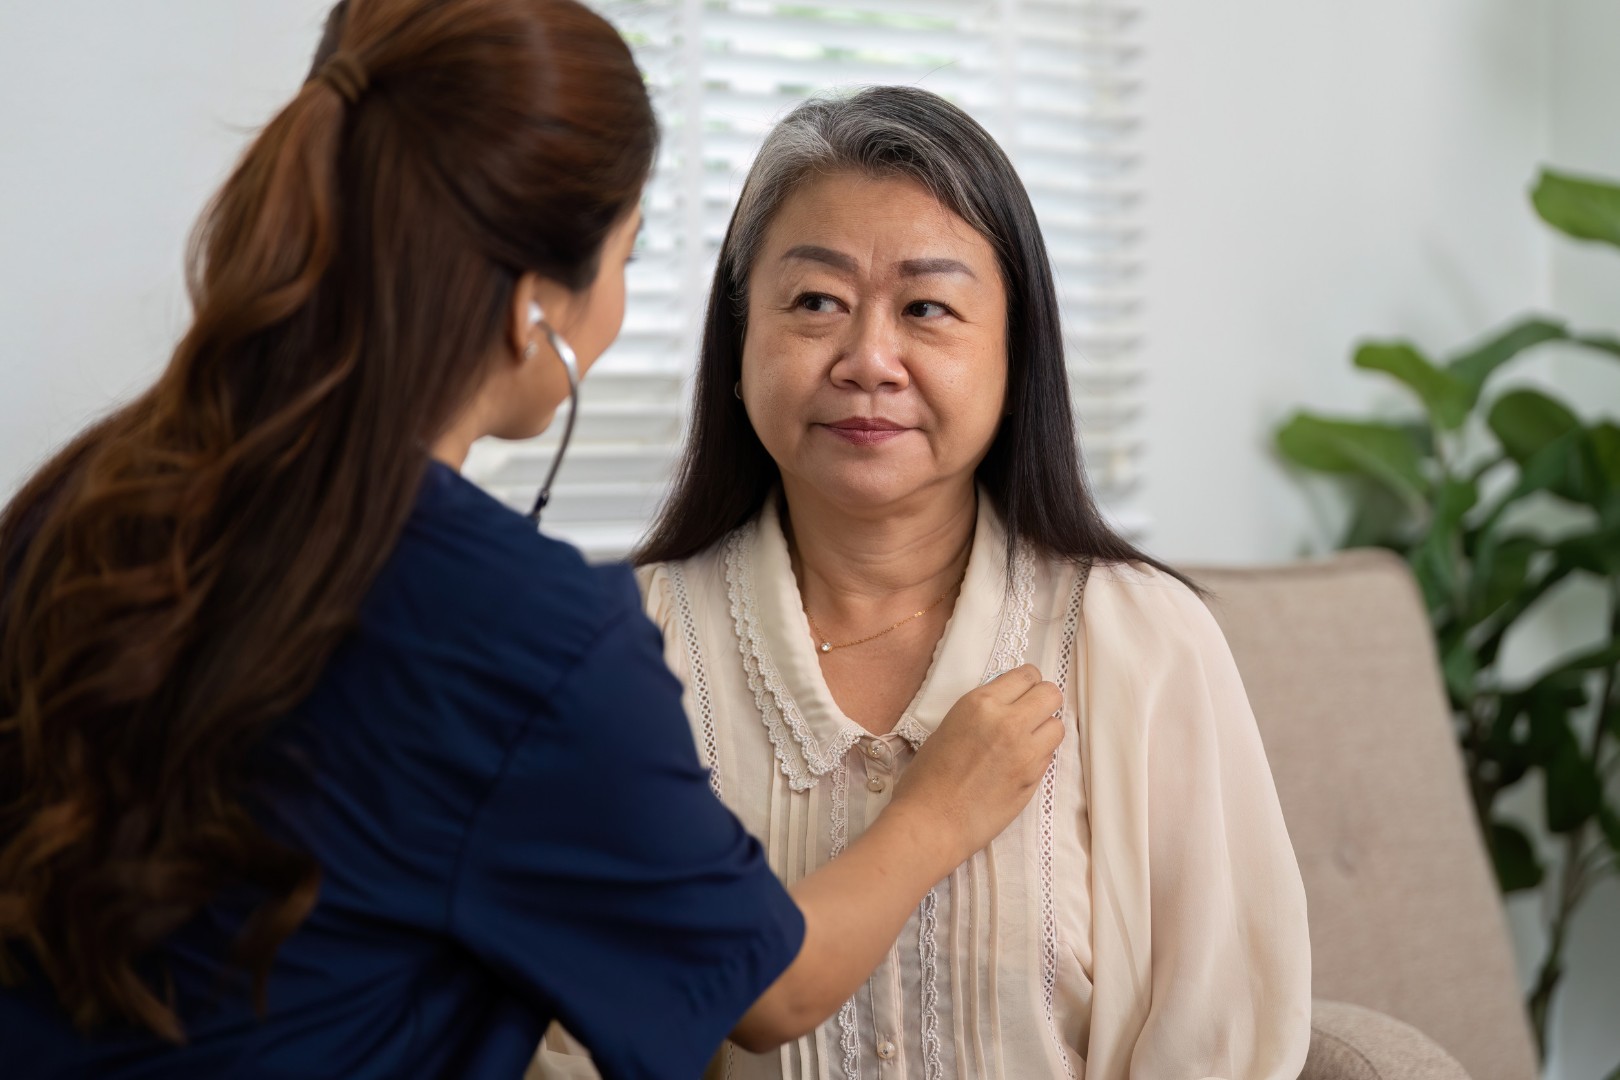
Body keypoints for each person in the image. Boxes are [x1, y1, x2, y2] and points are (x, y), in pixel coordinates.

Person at [0, 6, 1067, 1078]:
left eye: (928, 308)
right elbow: (771, 988)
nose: (869, 358)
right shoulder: (527, 633)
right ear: (532, 310)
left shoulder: (80, 495)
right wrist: (937, 814)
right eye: (627, 249)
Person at [536, 86, 1312, 1079]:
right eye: (816, 302)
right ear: (736, 348)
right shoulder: (620, 649)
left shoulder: (1141, 641)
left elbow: (1223, 1039)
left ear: (1014, 355)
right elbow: (566, 1040)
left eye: (927, 309)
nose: (869, 359)